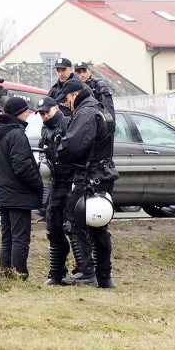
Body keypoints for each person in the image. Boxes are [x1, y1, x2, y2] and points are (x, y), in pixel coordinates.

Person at [57, 77, 116, 288]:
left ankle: (85, 271)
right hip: (104, 175)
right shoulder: (102, 109)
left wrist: (58, 149)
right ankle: (104, 276)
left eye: (66, 99)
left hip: (89, 176)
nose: (65, 103)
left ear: (74, 95)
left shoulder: (85, 112)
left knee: (72, 220)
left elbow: (72, 146)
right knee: (99, 225)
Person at [0, 97, 44, 280]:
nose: (28, 114)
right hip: (19, 194)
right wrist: (37, 183)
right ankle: (20, 275)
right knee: (20, 238)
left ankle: (5, 273)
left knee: (7, 237)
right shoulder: (16, 134)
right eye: (26, 111)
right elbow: (22, 167)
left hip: (4, 193)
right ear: (19, 113)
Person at [37, 96, 76, 286]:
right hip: (53, 183)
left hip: (70, 182)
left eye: (47, 112)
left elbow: (77, 152)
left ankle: (84, 271)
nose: (44, 116)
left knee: (73, 228)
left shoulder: (68, 123)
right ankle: (56, 272)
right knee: (53, 227)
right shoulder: (45, 127)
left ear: (56, 108)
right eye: (42, 113)